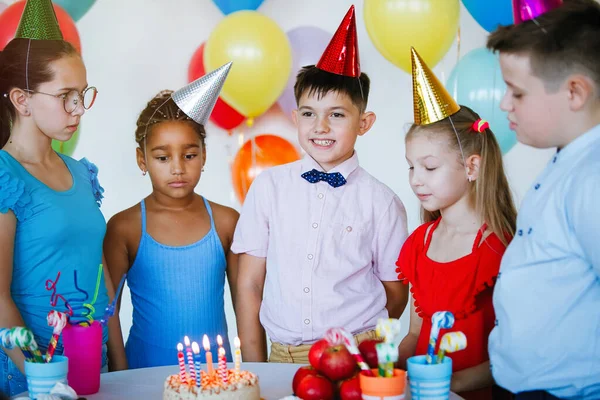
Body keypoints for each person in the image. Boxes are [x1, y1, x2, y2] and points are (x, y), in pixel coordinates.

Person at [233, 6, 409, 363]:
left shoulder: (382, 202)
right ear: (296, 118)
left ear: (365, 122)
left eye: (337, 115)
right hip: (284, 356)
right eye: (310, 114)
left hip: (356, 355)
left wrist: (364, 350)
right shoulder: (269, 188)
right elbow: (249, 283)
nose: (321, 127)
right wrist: (256, 365)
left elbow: (395, 291)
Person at [0, 0, 123, 396]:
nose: (79, 109)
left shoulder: (83, 175)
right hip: (33, 380)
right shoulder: (5, 176)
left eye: (83, 94)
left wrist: (117, 359)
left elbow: (99, 274)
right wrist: (41, 377)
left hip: (93, 366)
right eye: (67, 96)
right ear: (22, 100)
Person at [487, 0, 600, 398]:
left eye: (516, 92)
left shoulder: (591, 178)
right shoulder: (566, 163)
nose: (504, 104)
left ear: (574, 92)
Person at [396, 48, 516, 400]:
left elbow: (512, 352)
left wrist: (451, 386)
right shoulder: (419, 242)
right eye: (411, 166)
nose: (416, 180)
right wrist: (384, 370)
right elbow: (416, 336)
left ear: (472, 167)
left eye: (429, 167)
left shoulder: (500, 248)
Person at [104, 64, 239, 368]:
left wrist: (258, 374)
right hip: (144, 376)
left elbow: (247, 307)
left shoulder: (226, 222)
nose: (177, 168)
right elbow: (108, 313)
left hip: (218, 380)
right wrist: (120, 377)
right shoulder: (124, 227)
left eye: (189, 155)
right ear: (143, 159)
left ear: (204, 155)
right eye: (162, 157)